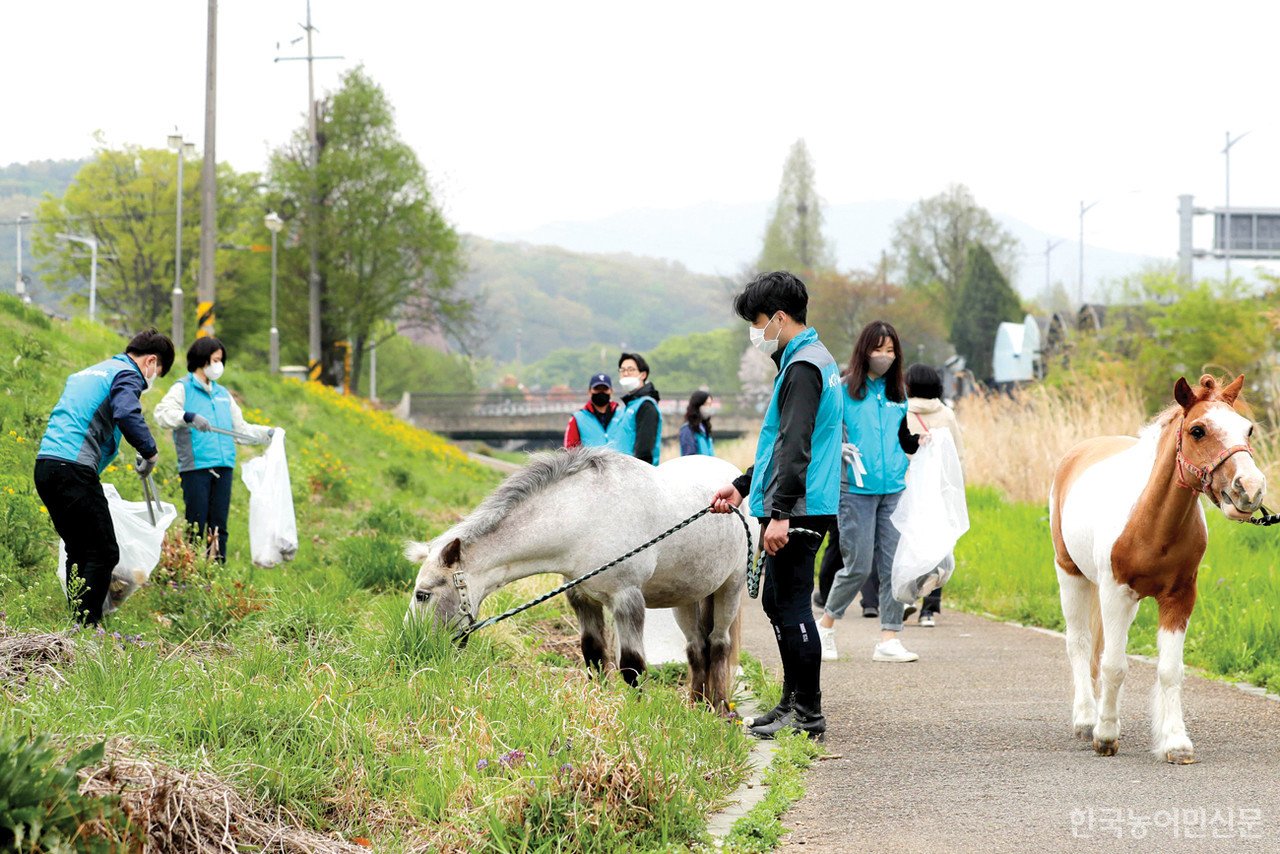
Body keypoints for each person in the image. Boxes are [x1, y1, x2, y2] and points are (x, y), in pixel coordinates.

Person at [710, 271, 843, 740]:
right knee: (777, 601)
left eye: (758, 320)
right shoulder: (809, 360)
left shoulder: (804, 367)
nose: (755, 330)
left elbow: (796, 445)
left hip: (801, 506)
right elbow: (777, 445)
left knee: (791, 606)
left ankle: (808, 715)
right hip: (799, 501)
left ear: (780, 318)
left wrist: (781, 512)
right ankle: (791, 703)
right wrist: (744, 485)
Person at [34, 328, 175, 625]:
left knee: (79, 548)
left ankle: (78, 624)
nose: (150, 381)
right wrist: (150, 451)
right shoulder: (127, 374)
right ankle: (88, 629)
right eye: (157, 373)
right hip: (72, 468)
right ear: (151, 362)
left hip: (47, 466)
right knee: (104, 551)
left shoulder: (91, 372)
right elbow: (127, 414)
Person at [817, 320, 922, 663]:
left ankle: (889, 638)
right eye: (878, 349)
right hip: (855, 491)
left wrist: (922, 442)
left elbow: (902, 438)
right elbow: (825, 434)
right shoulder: (844, 390)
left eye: (891, 350)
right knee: (859, 566)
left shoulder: (898, 394)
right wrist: (840, 449)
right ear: (864, 351)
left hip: (893, 489)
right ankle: (827, 625)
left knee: (892, 567)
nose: (885, 356)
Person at [153, 337, 272, 563]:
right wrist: (188, 416)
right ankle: (188, 571)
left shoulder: (222, 394)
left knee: (219, 525)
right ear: (202, 359)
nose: (219, 365)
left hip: (224, 466)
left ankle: (215, 572)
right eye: (215, 360)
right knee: (196, 523)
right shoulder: (183, 388)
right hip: (196, 467)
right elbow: (162, 414)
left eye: (221, 361)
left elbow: (240, 429)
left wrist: (267, 434)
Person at [903, 362, 964, 626]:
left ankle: (908, 599)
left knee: (912, 545)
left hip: (910, 489)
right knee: (938, 546)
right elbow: (958, 454)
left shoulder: (902, 411)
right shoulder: (947, 414)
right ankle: (929, 610)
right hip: (939, 489)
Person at [614, 353, 662, 465]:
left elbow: (644, 451)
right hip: (620, 472)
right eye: (622, 370)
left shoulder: (646, 406)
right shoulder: (629, 405)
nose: (626, 373)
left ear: (643, 375)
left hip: (636, 475)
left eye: (631, 370)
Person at [563, 373, 622, 449]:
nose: (601, 392)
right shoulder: (578, 418)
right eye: (597, 389)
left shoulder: (622, 415)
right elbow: (569, 449)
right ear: (589, 391)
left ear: (611, 391)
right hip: (590, 461)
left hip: (621, 460)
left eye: (605, 389)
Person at [678, 390, 715, 456]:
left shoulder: (704, 429)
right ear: (697, 406)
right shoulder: (687, 430)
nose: (709, 408)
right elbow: (689, 457)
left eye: (710, 404)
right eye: (706, 404)